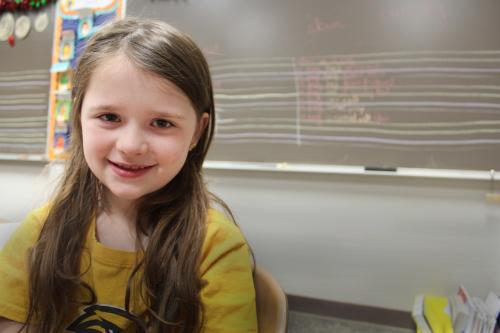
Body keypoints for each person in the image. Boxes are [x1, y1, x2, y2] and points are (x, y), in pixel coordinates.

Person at [0, 17, 257, 333]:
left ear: (196, 132)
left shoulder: (216, 246)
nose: (131, 146)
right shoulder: (42, 231)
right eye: (109, 117)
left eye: (162, 123)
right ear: (78, 117)